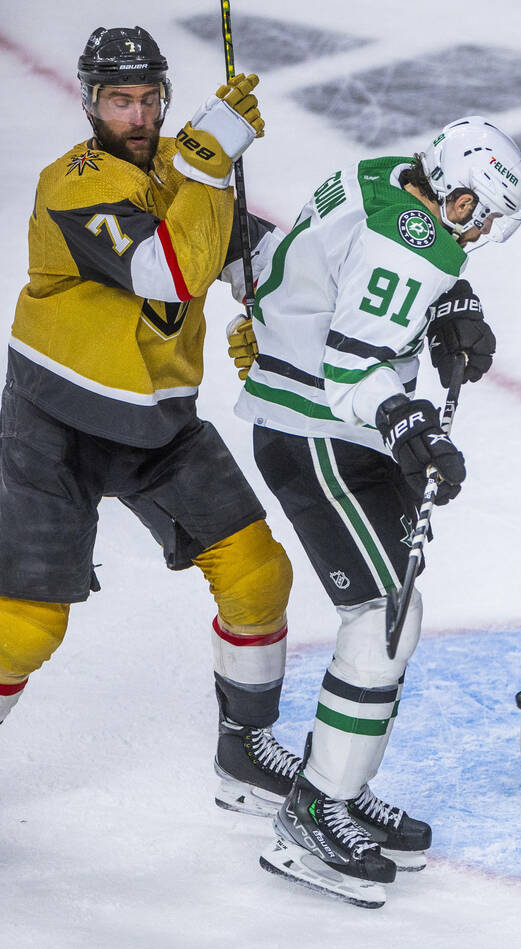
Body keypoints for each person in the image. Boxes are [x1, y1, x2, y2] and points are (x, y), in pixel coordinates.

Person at [0, 26, 300, 820]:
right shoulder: (71, 182)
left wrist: (282, 323)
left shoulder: (183, 169)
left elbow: (273, 267)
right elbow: (169, 268)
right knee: (22, 629)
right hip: (54, 418)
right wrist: (207, 164)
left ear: (165, 99)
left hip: (158, 420)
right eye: (118, 100)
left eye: (147, 99)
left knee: (258, 574)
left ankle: (245, 749)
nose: (135, 115)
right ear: (91, 102)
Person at [229, 115, 521, 906]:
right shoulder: (413, 240)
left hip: (311, 418)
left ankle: (340, 780)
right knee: (381, 619)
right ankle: (314, 809)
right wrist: (409, 425)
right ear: (453, 193)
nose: (483, 230)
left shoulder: (393, 177)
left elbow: (352, 262)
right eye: (480, 213)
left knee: (394, 612)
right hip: (320, 430)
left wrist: (449, 300)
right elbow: (351, 370)